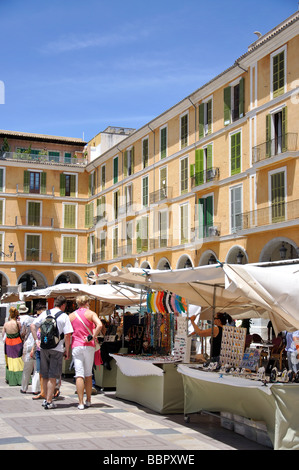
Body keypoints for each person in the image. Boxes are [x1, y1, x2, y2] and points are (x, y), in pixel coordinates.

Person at [31, 295, 73, 409]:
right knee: (53, 375)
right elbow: (68, 335)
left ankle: (45, 398)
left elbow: (32, 325)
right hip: (57, 348)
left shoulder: (45, 313)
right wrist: (67, 350)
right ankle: (49, 401)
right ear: (63, 305)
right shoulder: (64, 316)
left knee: (44, 375)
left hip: (44, 347)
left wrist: (37, 341)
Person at [68, 295, 103, 410]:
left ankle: (80, 402)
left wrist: (66, 348)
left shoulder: (71, 316)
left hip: (76, 345)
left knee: (79, 374)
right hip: (88, 346)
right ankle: (88, 400)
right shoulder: (91, 313)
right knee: (88, 374)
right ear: (87, 303)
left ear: (77, 304)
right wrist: (92, 336)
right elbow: (100, 325)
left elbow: (67, 333)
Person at [2, 306, 24, 385]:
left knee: (10, 360)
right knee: (18, 360)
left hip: (8, 343)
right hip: (17, 342)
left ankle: (11, 379)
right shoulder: (17, 323)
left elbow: (3, 335)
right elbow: (21, 332)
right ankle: (20, 379)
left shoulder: (6, 324)